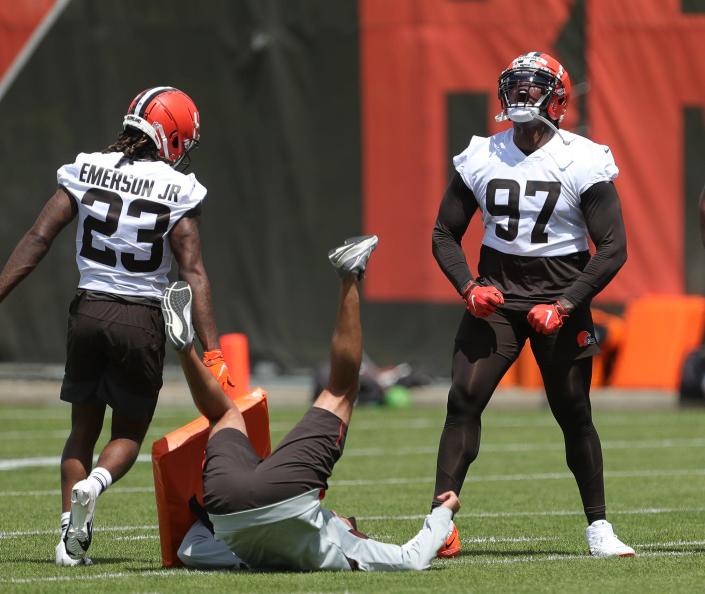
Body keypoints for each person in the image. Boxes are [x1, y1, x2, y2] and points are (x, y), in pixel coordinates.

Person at [0, 87, 234, 566]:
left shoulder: (86, 167)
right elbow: (193, 270)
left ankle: (69, 538)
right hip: (142, 319)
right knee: (127, 435)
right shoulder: (180, 189)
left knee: (80, 431)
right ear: (169, 136)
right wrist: (213, 352)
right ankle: (97, 484)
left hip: (87, 311)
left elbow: (39, 237)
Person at [430, 52, 634, 558]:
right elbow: (444, 234)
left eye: (533, 87)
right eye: (515, 87)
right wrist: (468, 287)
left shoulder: (583, 158)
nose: (521, 96)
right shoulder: (481, 153)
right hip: (496, 298)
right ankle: (439, 522)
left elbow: (613, 249)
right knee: (462, 403)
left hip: (558, 298)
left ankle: (599, 528)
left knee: (573, 412)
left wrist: (564, 305)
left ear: (559, 100)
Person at [161, 235, 461, 572]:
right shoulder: (251, 554)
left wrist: (443, 512)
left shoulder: (344, 546)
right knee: (222, 414)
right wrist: (225, 530)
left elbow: (413, 559)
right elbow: (190, 549)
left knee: (341, 390)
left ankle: (350, 276)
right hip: (226, 510)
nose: (343, 517)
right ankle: (186, 349)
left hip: (278, 497)